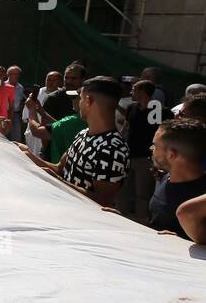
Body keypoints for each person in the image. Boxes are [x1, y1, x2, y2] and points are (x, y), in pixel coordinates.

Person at [21, 77, 128, 207]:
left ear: (88, 100)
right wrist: (27, 155)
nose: (79, 102)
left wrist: (58, 182)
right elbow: (59, 168)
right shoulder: (83, 134)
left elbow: (103, 202)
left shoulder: (114, 148)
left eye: (81, 98)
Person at [147, 118, 206, 238]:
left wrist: (178, 243)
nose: (151, 149)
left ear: (171, 155)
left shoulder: (201, 201)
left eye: (155, 145)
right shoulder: (165, 179)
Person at [119, 79, 159, 223]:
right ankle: (119, 217)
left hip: (145, 157)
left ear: (142, 91)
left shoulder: (156, 108)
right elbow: (126, 127)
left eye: (134, 89)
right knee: (123, 189)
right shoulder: (131, 107)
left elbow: (158, 132)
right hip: (128, 155)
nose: (131, 92)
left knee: (142, 193)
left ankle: (141, 220)